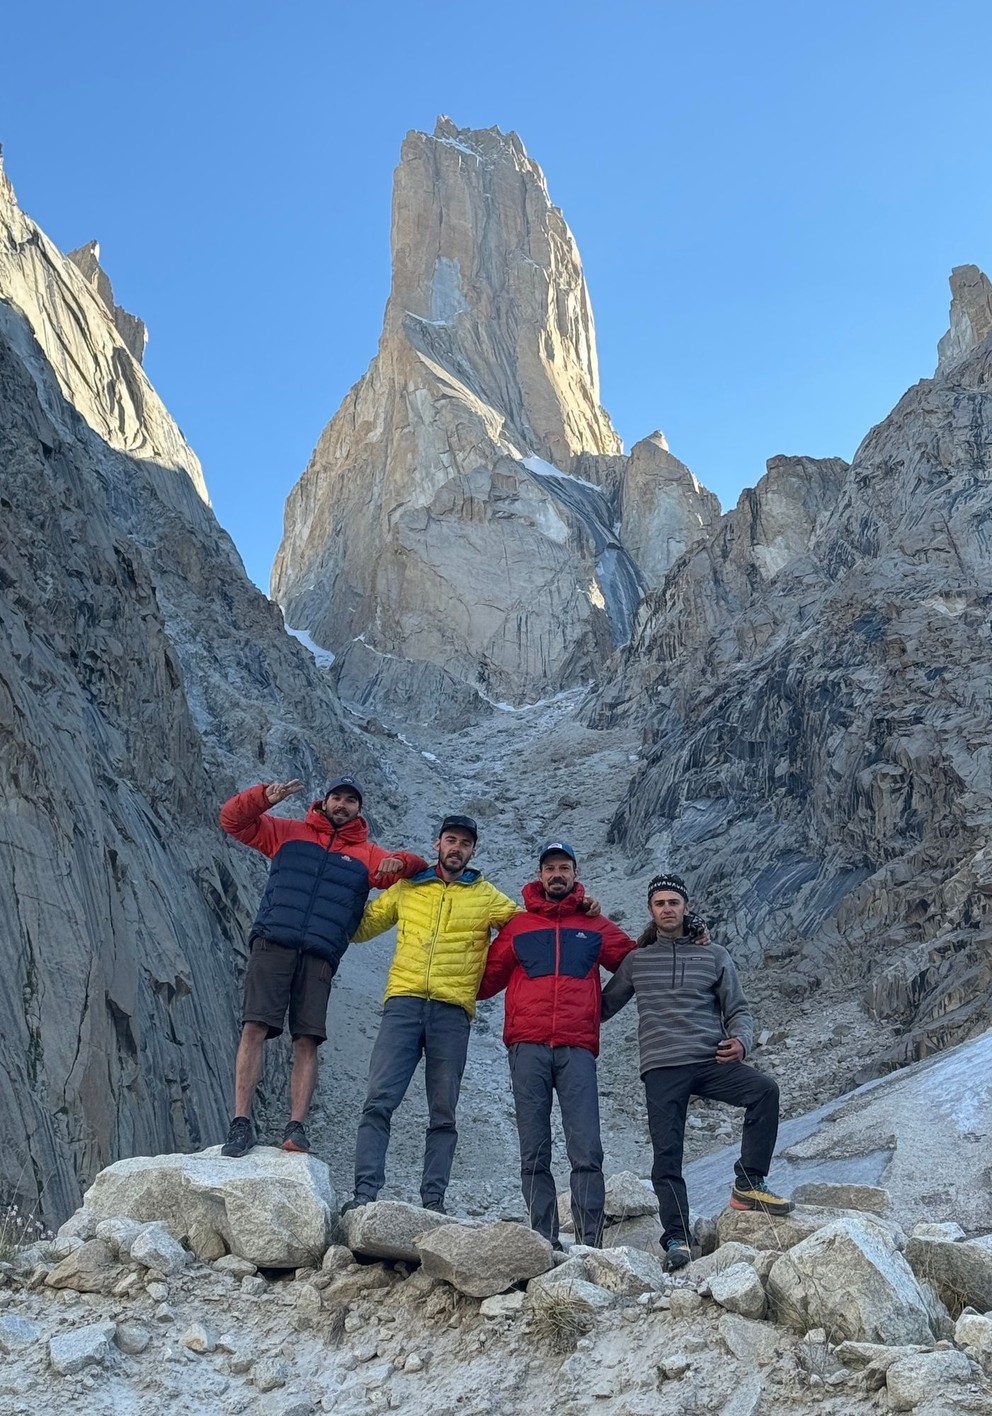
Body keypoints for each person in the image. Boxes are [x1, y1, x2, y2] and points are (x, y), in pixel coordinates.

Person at [218, 775, 426, 1158]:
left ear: (359, 810)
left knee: (307, 1039)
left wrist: (405, 860)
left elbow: (413, 867)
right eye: (337, 798)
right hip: (274, 941)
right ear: (324, 801)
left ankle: (296, 1128)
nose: (342, 805)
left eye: (350, 800)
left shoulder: (367, 854)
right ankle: (240, 1123)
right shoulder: (287, 832)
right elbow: (233, 821)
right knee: (254, 1027)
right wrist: (263, 798)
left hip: (319, 954)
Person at [601, 871, 792, 1271]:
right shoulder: (637, 962)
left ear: (686, 907)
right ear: (650, 911)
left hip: (710, 1060)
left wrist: (741, 1040)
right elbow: (601, 1008)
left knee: (764, 1091)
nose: (667, 909)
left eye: (674, 902)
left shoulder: (715, 955)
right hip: (662, 1066)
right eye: (660, 903)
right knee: (667, 1153)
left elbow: (738, 1008)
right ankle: (677, 1238)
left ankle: (749, 1183)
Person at [342, 815, 520, 1214]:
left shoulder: (487, 895)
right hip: (403, 1004)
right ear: (437, 843)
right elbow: (362, 927)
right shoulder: (409, 887)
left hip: (451, 1012)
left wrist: (487, 977)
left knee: (443, 1111)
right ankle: (364, 1195)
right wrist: (339, 888)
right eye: (451, 840)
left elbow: (525, 930)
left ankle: (433, 1201)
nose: (456, 848)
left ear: (473, 851)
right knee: (378, 1100)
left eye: (465, 843)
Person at [477, 841, 637, 1248]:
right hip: (527, 1047)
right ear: (539, 874)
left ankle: (589, 1243)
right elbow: (484, 981)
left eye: (564, 867)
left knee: (586, 1148)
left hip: (577, 1048)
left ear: (575, 874)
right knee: (534, 1148)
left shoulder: (595, 926)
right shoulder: (518, 926)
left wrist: (603, 1007)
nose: (557, 874)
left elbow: (636, 962)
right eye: (550, 868)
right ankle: (542, 1240)